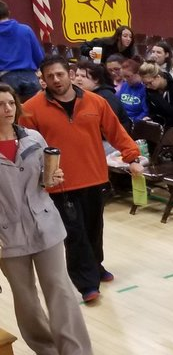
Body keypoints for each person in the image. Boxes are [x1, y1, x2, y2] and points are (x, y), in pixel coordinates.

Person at [21, 57, 142, 302]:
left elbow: (116, 131)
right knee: (74, 233)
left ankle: (95, 265)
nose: (56, 80)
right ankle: (86, 283)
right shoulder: (31, 108)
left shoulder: (96, 102)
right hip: (60, 184)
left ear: (70, 73)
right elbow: (27, 148)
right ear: (43, 80)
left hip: (94, 178)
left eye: (59, 74)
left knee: (94, 228)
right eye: (50, 76)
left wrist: (132, 157)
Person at [0, 83, 92, 355]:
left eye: (11, 103)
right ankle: (46, 348)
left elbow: (46, 178)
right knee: (25, 297)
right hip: (6, 236)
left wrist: (54, 177)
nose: (7, 109)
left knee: (60, 289)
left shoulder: (34, 139)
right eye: (0, 105)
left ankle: (73, 354)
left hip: (45, 225)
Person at [0, 1, 45, 100]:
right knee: (35, 108)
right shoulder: (26, 30)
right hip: (30, 77)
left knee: (11, 109)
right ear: (8, 12)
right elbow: (39, 58)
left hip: (5, 79)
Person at [77, 61, 130, 131]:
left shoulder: (107, 98)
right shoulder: (83, 94)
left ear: (96, 80)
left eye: (83, 76)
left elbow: (109, 127)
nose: (78, 79)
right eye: (77, 75)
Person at [140, 62, 173, 129]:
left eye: (150, 83)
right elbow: (152, 111)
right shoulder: (150, 90)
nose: (147, 86)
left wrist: (160, 101)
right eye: (145, 84)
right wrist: (150, 118)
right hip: (161, 125)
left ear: (158, 77)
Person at [116, 59, 149, 124]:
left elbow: (145, 112)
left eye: (127, 76)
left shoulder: (145, 89)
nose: (125, 79)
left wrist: (134, 121)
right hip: (121, 120)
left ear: (138, 74)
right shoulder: (125, 85)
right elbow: (117, 103)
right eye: (123, 77)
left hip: (135, 123)